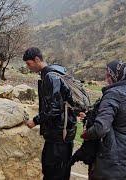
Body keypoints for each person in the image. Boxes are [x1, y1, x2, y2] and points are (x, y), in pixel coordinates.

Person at [23, 47, 76, 180]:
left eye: (29, 64)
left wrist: (35, 120)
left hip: (57, 134)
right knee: (62, 170)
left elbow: (54, 108)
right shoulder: (58, 71)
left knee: (52, 171)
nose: (28, 67)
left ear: (37, 59)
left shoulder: (50, 77)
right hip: (65, 131)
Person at [81, 60, 126, 180]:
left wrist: (85, 134)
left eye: (108, 74)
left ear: (115, 76)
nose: (106, 77)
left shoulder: (113, 94)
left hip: (113, 163)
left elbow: (100, 129)